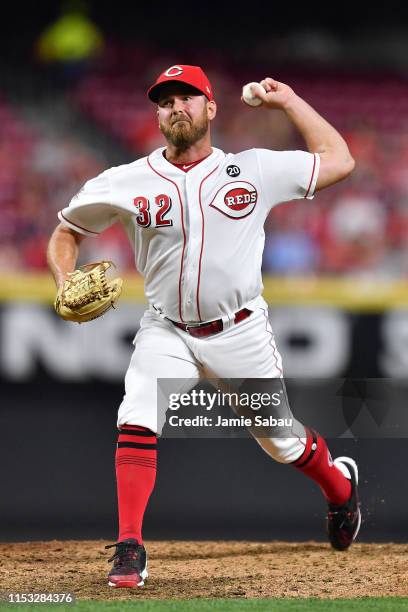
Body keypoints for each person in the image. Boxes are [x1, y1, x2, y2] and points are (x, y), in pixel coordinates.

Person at [47, 65, 359, 589]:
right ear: (157, 115)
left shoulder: (253, 170)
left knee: (280, 442)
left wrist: (289, 102)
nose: (176, 108)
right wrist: (62, 277)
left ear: (210, 108)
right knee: (138, 410)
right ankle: (129, 548)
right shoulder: (126, 181)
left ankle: (339, 487)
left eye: (187, 98)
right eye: (165, 101)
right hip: (166, 328)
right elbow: (66, 232)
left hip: (239, 332)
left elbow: (341, 161)